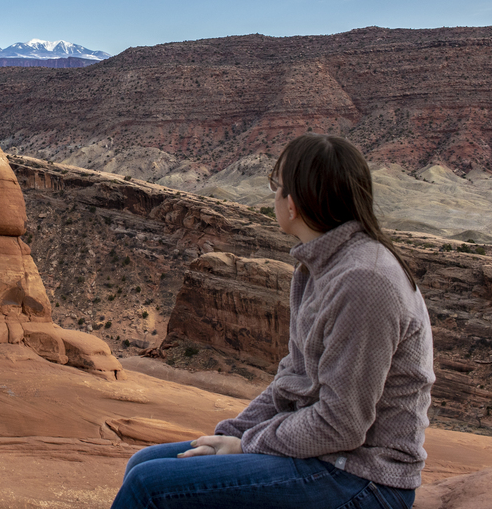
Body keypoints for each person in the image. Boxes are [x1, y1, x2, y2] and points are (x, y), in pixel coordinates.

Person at [110, 134, 434, 509]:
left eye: (275, 185)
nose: (273, 195)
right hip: (327, 456)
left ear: (293, 204)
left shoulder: (364, 281)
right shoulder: (317, 268)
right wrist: (230, 433)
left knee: (150, 486)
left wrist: (246, 445)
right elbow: (293, 377)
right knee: (144, 462)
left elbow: (343, 424)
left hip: (363, 479)